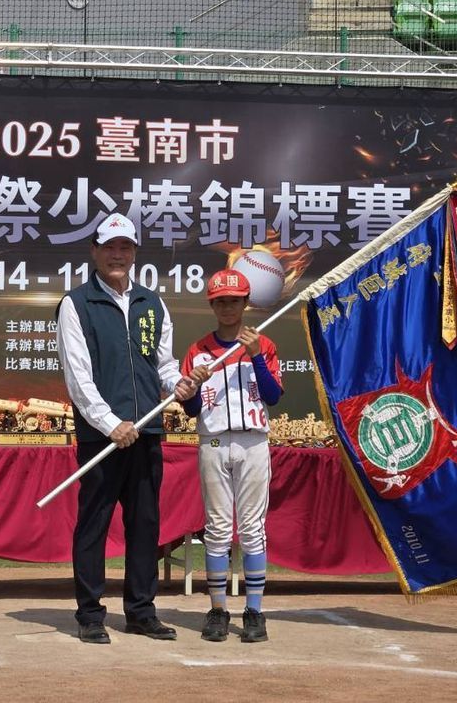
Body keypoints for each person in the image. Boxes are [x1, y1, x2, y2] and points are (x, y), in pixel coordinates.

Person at [55, 212, 198, 644]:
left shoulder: (152, 303)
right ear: (94, 251)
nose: (117, 255)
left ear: (134, 252)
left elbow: (163, 365)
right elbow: (78, 378)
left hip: (147, 433)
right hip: (102, 438)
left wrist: (180, 384)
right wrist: (110, 423)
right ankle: (90, 614)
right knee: (94, 525)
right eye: (109, 247)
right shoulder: (76, 304)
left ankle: (141, 611)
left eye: (125, 247)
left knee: (145, 525)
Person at [180, 268, 283, 644]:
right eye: (220, 301)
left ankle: (254, 610)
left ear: (245, 303)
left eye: (234, 301)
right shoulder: (198, 350)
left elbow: (273, 395)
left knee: (253, 529)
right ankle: (218, 609)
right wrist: (193, 386)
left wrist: (256, 356)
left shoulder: (262, 343)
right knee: (218, 529)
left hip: (253, 442)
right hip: (214, 441)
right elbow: (190, 408)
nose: (227, 307)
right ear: (212, 305)